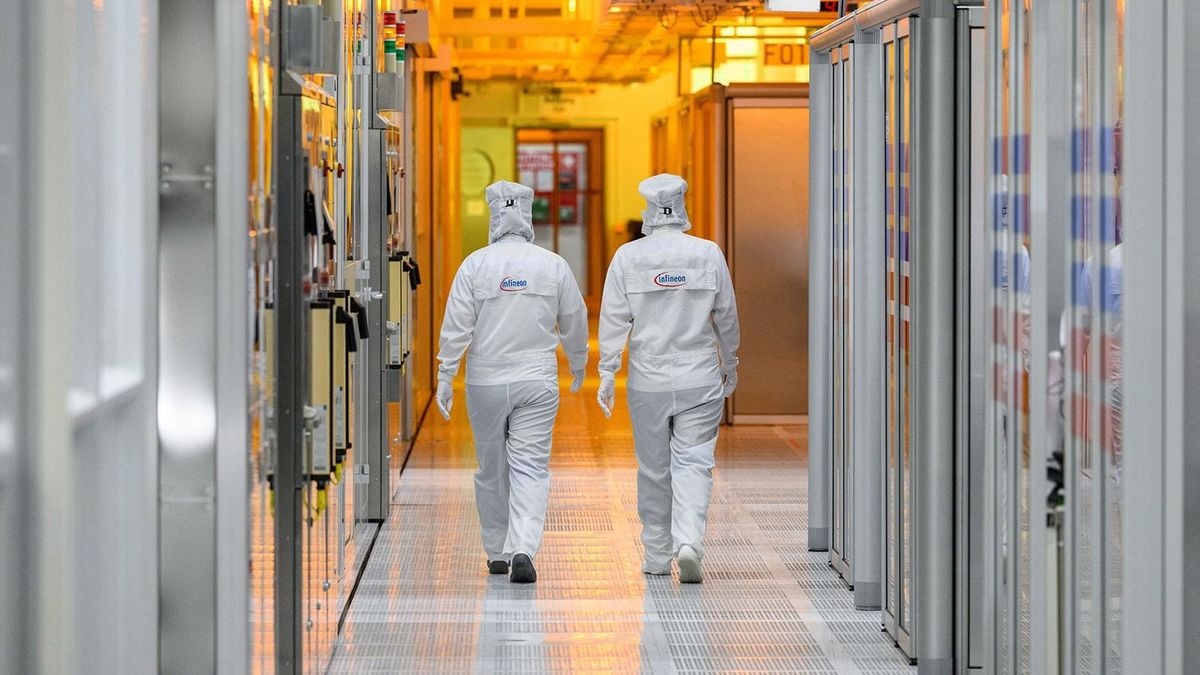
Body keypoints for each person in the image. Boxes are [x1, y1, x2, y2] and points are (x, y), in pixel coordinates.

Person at [436, 180, 589, 583]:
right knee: (530, 468)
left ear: (494, 215)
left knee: (490, 467)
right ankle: (524, 546)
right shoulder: (552, 263)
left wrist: (445, 374)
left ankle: (498, 551)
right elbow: (574, 319)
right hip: (536, 380)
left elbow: (456, 327)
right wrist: (578, 362)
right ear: (527, 214)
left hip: (485, 380)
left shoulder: (475, 264)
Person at [596, 173, 740, 583]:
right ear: (681, 206)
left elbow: (613, 319)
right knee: (695, 463)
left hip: (649, 379)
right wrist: (731, 361)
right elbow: (726, 315)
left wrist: (608, 370)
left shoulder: (628, 257)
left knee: (655, 468)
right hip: (699, 375)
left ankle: (658, 553)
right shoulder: (708, 253)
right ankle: (690, 542)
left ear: (648, 210)